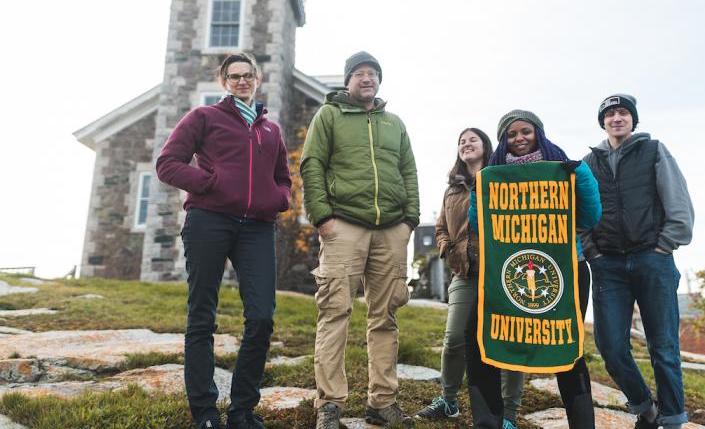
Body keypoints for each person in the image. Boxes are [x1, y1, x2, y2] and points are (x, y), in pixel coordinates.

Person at [156, 53, 292, 429]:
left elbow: (284, 177)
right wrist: (211, 184)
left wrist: (279, 198)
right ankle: (205, 412)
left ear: (258, 79)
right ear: (224, 82)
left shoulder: (271, 130)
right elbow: (168, 163)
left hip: (257, 228)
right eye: (235, 76)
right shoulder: (204, 118)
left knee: (262, 317)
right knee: (202, 316)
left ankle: (242, 411)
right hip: (209, 221)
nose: (242, 81)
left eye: (248, 75)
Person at [301, 51, 419, 429]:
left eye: (373, 74)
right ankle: (330, 405)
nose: (367, 79)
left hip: (392, 229)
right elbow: (312, 164)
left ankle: (382, 402)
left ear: (378, 81)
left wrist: (410, 220)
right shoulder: (329, 115)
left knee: (385, 316)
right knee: (335, 311)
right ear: (348, 80)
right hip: (344, 225)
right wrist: (322, 217)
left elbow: (409, 170)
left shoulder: (394, 123)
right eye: (359, 74)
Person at [465, 110, 602, 429]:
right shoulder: (492, 175)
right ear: (503, 141)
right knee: (478, 338)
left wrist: (579, 174)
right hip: (505, 277)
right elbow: (478, 224)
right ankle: (488, 422)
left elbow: (590, 217)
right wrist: (479, 190)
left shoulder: (564, 169)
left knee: (568, 345)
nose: (519, 138)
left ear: (538, 133)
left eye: (525, 131)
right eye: (511, 135)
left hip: (566, 272)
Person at [582, 94, 694, 429]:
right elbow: (579, 214)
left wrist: (664, 246)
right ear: (602, 122)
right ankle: (646, 409)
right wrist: (593, 253)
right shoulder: (589, 162)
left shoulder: (654, 150)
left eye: (623, 113)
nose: (617, 118)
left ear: (633, 120)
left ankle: (672, 419)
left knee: (664, 347)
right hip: (608, 267)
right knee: (611, 346)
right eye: (610, 114)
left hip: (653, 260)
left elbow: (678, 202)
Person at [415, 128, 525, 425]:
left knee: (508, 341)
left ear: (486, 146)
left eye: (472, 139)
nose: (466, 144)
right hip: (464, 273)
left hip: (502, 275)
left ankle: (510, 415)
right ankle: (448, 401)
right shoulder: (453, 189)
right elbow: (440, 228)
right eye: (461, 141)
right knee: (454, 339)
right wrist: (446, 249)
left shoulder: (502, 177)